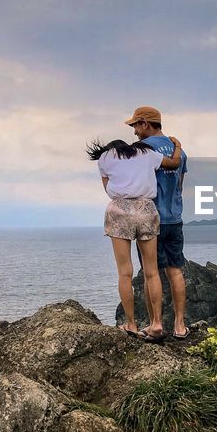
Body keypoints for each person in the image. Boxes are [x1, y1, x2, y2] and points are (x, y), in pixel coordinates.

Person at [86, 126, 183, 341]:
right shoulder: (146, 153)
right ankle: (157, 324)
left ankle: (130, 324)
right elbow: (175, 163)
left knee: (124, 272)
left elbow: (108, 188)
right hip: (146, 209)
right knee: (152, 272)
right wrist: (177, 146)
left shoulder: (105, 158)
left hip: (119, 210)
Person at [127, 106, 190, 338]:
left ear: (145, 123)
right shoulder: (179, 151)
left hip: (150, 218)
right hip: (175, 218)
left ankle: (156, 324)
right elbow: (180, 185)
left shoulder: (142, 149)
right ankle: (180, 326)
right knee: (175, 271)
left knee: (151, 273)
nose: (134, 131)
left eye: (135, 125)